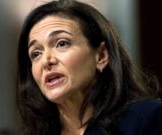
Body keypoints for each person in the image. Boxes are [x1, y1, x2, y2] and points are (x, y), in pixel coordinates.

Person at [16, 0, 162, 135]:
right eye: (36, 53)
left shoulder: (149, 117)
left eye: (62, 43)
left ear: (101, 56)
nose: (46, 61)